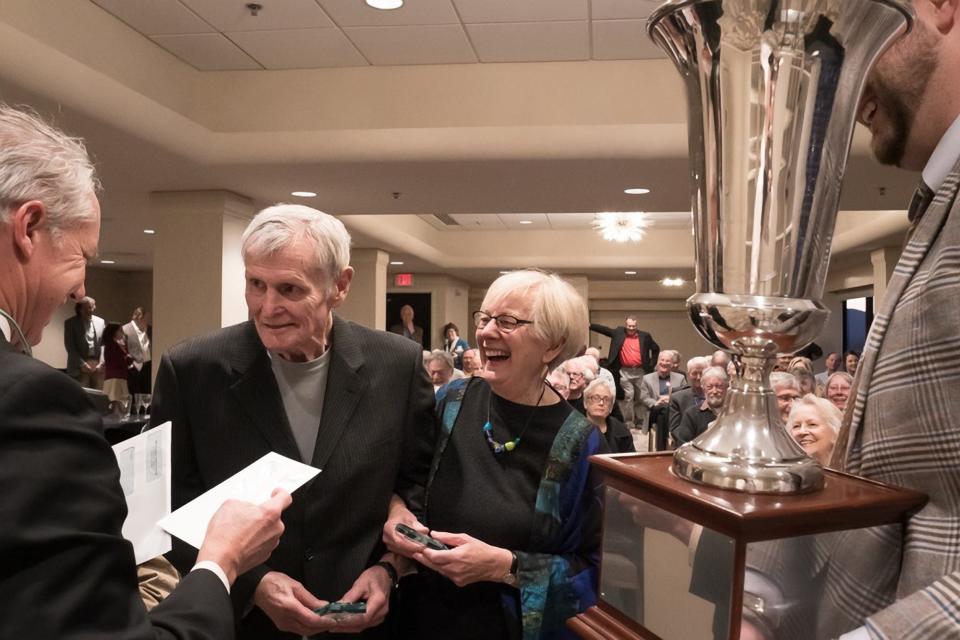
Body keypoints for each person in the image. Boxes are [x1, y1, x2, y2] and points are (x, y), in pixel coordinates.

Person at [0, 103, 290, 639]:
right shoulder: (31, 401)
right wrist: (220, 562)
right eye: (83, 255)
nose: (83, 289)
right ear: (29, 227)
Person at [151, 204, 436, 639]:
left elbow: (418, 484)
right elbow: (170, 507)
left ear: (339, 285)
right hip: (243, 624)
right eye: (255, 285)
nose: (267, 307)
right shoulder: (192, 369)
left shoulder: (396, 364)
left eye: (289, 289)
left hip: (365, 621)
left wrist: (389, 569)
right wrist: (254, 584)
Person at [777, 4, 960, 637]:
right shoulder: (941, 192)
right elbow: (887, 476)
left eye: (855, 37)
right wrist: (761, 585)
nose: (840, 82)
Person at [383, 269, 602, 639]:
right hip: (421, 618)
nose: (484, 333)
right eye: (483, 318)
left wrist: (505, 566)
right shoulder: (450, 402)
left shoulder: (580, 445)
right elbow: (407, 483)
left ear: (552, 345)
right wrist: (397, 512)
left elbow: (592, 570)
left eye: (506, 321)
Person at [589, 316, 660, 429]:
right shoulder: (619, 333)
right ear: (625, 325)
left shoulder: (645, 336)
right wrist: (590, 325)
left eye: (633, 326)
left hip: (640, 370)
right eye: (629, 326)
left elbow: (656, 348)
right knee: (628, 395)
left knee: (640, 396)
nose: (631, 328)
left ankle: (640, 420)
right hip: (624, 371)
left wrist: (651, 365)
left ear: (637, 326)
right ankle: (628, 421)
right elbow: (605, 330)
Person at [640, 351, 686, 449]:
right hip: (654, 410)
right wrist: (656, 402)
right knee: (661, 410)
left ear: (672, 364)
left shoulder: (680, 378)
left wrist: (671, 399)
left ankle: (660, 448)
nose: (664, 363)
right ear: (657, 362)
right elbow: (644, 397)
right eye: (662, 360)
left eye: (667, 361)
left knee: (664, 412)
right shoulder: (647, 378)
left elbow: (684, 395)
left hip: (673, 410)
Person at [673, 366, 728, 446]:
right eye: (709, 387)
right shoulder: (691, 414)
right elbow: (683, 446)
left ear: (727, 387)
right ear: (703, 388)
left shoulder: (736, 413)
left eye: (719, 386)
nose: (714, 391)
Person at [785, 394, 841, 467]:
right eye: (796, 426)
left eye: (812, 425)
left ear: (835, 432)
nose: (801, 431)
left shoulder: (853, 473)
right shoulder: (782, 476)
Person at [583, 377, 635, 453]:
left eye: (606, 399)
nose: (601, 403)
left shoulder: (622, 432)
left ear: (611, 407)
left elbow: (631, 461)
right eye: (595, 398)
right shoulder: (574, 429)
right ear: (585, 403)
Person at [63, 295, 105, 388]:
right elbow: (70, 347)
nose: (93, 309)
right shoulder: (70, 323)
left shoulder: (100, 322)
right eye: (89, 307)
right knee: (81, 396)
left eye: (93, 306)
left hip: (97, 366)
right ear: (80, 309)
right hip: (79, 367)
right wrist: (83, 364)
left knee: (97, 397)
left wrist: (101, 362)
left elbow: (103, 345)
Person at [668, 356, 710, 440]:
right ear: (688, 374)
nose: (698, 377)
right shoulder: (677, 399)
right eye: (694, 373)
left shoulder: (715, 396)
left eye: (702, 373)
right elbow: (674, 429)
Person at [102, 322, 132, 412]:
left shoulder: (116, 344)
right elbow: (120, 361)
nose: (122, 333)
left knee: (119, 403)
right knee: (115, 404)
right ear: (113, 332)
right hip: (115, 378)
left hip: (119, 377)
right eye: (120, 331)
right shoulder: (111, 345)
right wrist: (127, 358)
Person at [123, 306, 152, 394]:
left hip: (148, 367)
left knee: (147, 395)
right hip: (133, 368)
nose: (149, 320)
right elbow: (122, 349)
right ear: (139, 317)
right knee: (134, 394)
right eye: (147, 318)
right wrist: (131, 364)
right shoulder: (125, 329)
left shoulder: (150, 329)